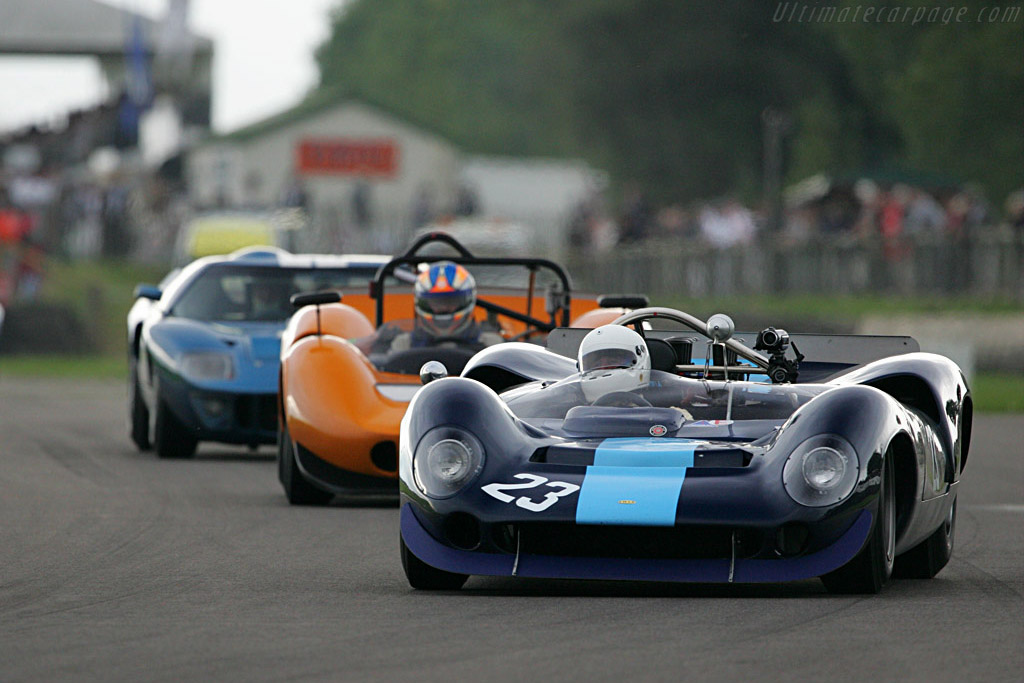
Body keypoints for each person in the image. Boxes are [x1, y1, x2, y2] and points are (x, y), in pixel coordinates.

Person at [381, 261, 503, 353]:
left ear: (467, 300)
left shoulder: (492, 346)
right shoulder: (403, 345)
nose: (444, 308)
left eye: (451, 301)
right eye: (437, 302)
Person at [577, 325, 650, 403]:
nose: (603, 369)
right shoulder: (575, 413)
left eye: (612, 362)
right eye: (597, 364)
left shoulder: (655, 413)